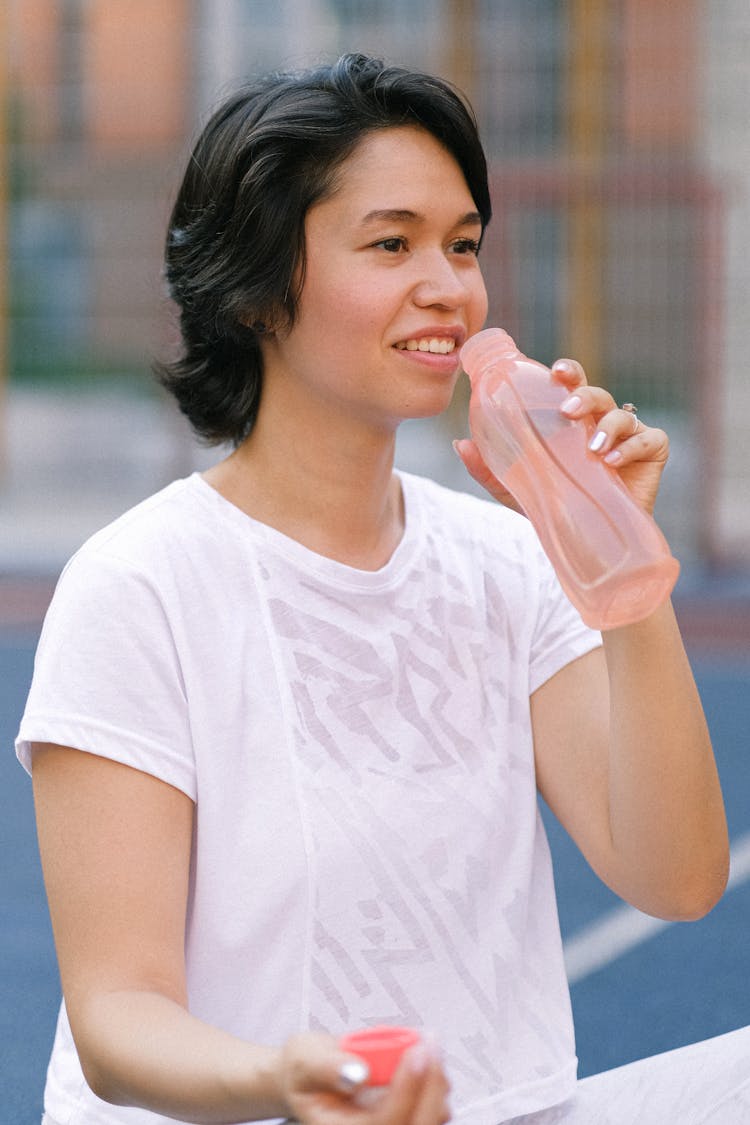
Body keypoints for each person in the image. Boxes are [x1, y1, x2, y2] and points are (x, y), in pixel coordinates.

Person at [15, 52, 743, 1125]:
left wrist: (617, 560)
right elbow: (117, 1014)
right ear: (262, 283)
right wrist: (284, 1081)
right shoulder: (141, 585)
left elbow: (676, 881)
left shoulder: (506, 559)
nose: (448, 286)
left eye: (462, 245)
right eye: (392, 243)